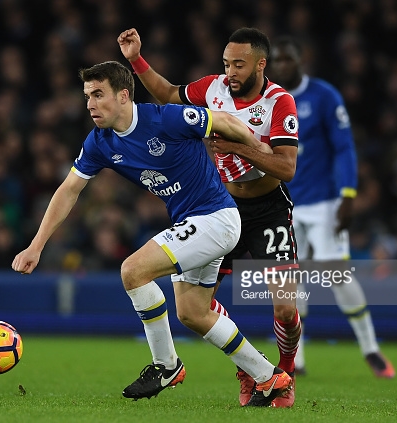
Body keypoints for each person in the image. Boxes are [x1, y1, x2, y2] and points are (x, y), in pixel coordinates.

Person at [12, 60, 292, 407]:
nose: (90, 104)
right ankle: (270, 377)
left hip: (217, 219)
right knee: (192, 313)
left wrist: (258, 148)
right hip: (193, 224)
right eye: (87, 96)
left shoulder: (165, 118)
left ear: (124, 95)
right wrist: (36, 246)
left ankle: (166, 366)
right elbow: (69, 190)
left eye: (98, 94)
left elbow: (222, 120)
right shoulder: (99, 142)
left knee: (133, 270)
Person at [118, 27, 301, 408]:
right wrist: (136, 60)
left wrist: (236, 145)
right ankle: (252, 370)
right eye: (226, 63)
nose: (230, 72)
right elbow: (168, 95)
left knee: (285, 307)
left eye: (239, 64)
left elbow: (285, 168)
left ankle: (285, 370)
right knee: (195, 308)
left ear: (260, 64)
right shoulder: (212, 88)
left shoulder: (279, 103)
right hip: (219, 208)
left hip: (268, 210)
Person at [268, 36, 395, 378]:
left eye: (287, 58)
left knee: (337, 275)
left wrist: (348, 195)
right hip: (285, 205)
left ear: (300, 60)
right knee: (290, 283)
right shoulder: (268, 102)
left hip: (324, 203)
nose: (282, 65)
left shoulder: (324, 96)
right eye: (276, 60)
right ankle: (298, 360)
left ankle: (371, 349)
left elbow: (343, 148)